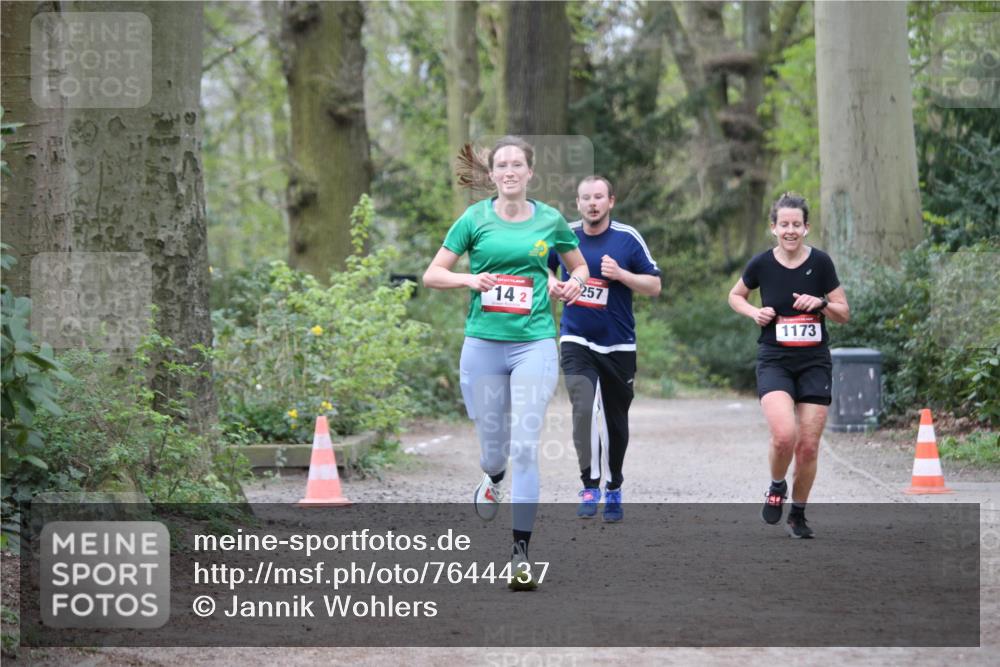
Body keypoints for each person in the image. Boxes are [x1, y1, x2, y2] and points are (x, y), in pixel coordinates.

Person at [422, 136, 588, 589]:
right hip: (483, 344)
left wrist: (569, 285)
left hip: (533, 342)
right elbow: (432, 273)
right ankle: (492, 477)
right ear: (492, 175)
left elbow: (579, 269)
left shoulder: (551, 219)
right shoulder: (474, 219)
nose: (510, 171)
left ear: (529, 173)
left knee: (524, 446)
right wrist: (468, 279)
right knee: (494, 449)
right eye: (502, 165)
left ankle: (521, 553)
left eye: (518, 164)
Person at [728, 192, 850, 538]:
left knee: (808, 445)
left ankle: (798, 514)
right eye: (784, 224)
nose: (791, 230)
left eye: (797, 224)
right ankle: (777, 485)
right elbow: (735, 296)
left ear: (807, 228)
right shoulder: (762, 264)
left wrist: (823, 303)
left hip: (813, 362)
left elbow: (844, 313)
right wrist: (755, 312)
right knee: (784, 435)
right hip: (775, 360)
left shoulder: (822, 263)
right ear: (774, 228)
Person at [547, 176, 661, 522]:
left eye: (599, 197)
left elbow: (654, 285)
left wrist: (623, 275)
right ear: (578, 203)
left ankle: (613, 486)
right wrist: (552, 283)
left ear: (611, 201)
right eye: (586, 198)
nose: (592, 203)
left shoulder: (627, 239)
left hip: (619, 343)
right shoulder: (564, 234)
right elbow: (540, 268)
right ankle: (589, 484)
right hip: (576, 337)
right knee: (582, 408)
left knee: (614, 418)